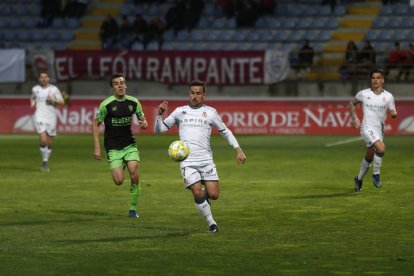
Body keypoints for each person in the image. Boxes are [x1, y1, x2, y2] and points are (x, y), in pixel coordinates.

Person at [154, 80, 247, 233]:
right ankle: (212, 223)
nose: (195, 96)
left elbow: (225, 131)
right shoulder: (179, 111)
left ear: (204, 95)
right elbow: (160, 129)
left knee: (214, 195)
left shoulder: (211, 112)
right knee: (197, 192)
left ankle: (204, 201)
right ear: (189, 94)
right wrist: (159, 115)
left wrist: (238, 149)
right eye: (192, 93)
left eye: (198, 93)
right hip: (187, 161)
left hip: (206, 161)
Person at [92, 73, 148, 218]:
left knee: (135, 173)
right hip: (113, 146)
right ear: (112, 88)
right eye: (116, 83)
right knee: (119, 181)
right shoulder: (106, 104)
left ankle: (133, 209)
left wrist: (144, 123)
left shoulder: (134, 102)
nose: (120, 85)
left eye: (122, 82)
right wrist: (97, 147)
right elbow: (95, 124)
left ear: (126, 85)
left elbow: (143, 119)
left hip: (129, 144)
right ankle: (121, 165)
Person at [348, 69, 397, 192]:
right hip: (366, 128)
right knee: (381, 148)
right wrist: (354, 118)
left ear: (382, 80)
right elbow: (352, 103)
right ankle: (376, 174)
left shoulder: (388, 96)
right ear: (371, 80)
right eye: (373, 78)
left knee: (369, 156)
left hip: (379, 130)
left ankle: (358, 179)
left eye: (378, 77)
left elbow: (393, 111)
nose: (375, 80)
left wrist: (393, 113)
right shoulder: (364, 94)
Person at [30, 71, 65, 172]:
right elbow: (32, 97)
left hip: (51, 117)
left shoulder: (54, 89)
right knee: (43, 140)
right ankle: (44, 162)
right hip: (39, 116)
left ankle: (45, 160)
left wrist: (53, 100)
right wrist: (32, 103)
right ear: (39, 79)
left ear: (48, 78)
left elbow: (62, 102)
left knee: (49, 142)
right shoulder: (35, 89)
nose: (44, 79)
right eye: (41, 77)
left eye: (45, 77)